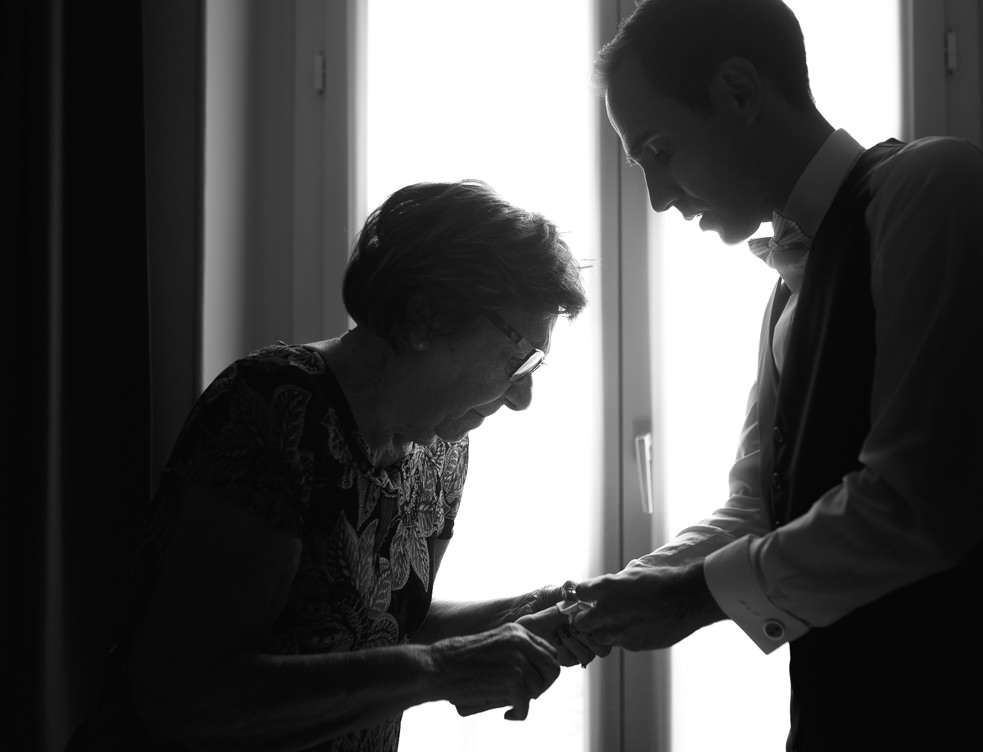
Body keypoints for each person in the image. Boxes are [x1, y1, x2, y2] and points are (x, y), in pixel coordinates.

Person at [569, 0, 983, 751]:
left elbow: (919, 507)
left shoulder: (935, 190)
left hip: (981, 717)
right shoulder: (788, 285)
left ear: (740, 91)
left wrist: (689, 600)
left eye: (657, 149)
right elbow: (759, 507)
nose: (657, 197)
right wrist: (611, 599)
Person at [65, 180, 597, 751]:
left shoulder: (441, 448)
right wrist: (441, 670)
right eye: (519, 357)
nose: (522, 397)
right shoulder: (278, 408)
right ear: (425, 318)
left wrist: (519, 614)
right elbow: (185, 694)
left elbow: (380, 629)